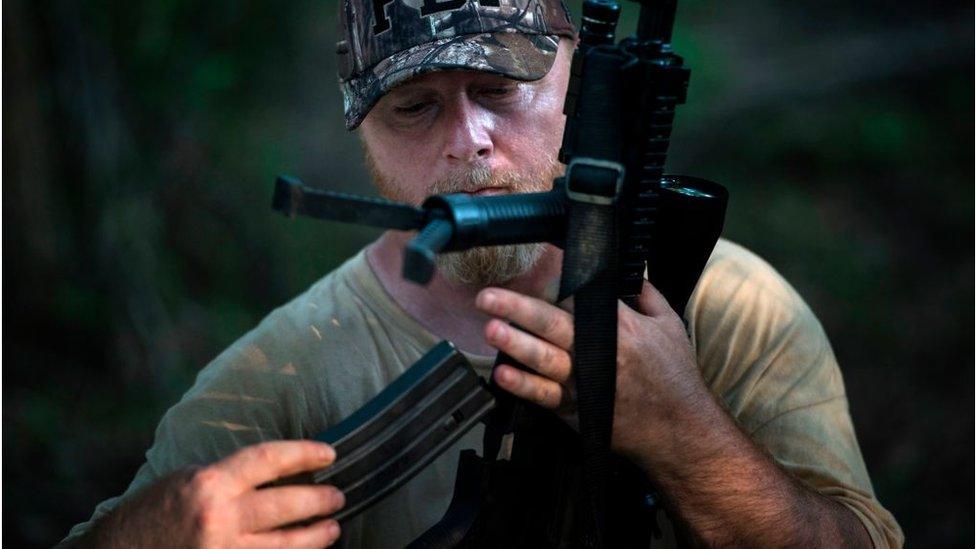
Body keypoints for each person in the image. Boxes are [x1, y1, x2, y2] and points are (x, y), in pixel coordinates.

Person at [60, 1, 903, 547]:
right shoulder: (283, 375)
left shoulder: (722, 305)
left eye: (498, 88)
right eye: (416, 107)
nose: (467, 141)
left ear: (577, 78)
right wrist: (152, 533)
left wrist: (682, 430)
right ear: (365, 136)